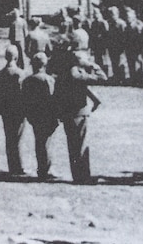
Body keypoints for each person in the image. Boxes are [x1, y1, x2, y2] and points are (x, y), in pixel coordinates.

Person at [57, 48, 106, 183]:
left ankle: (77, 174)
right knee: (81, 145)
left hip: (68, 113)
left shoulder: (66, 72)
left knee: (72, 146)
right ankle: (83, 176)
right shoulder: (77, 74)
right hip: (79, 113)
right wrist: (92, 65)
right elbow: (103, 78)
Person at [0, 45, 26, 176]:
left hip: (6, 111)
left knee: (9, 138)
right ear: (16, 57)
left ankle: (12, 166)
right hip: (18, 111)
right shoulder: (21, 74)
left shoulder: (0, 74)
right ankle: (18, 167)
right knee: (18, 139)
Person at [22, 52, 58, 180]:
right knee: (47, 143)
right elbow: (53, 98)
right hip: (47, 115)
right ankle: (45, 169)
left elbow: (25, 100)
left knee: (39, 142)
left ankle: (41, 168)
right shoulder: (49, 79)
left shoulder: (27, 80)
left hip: (35, 116)